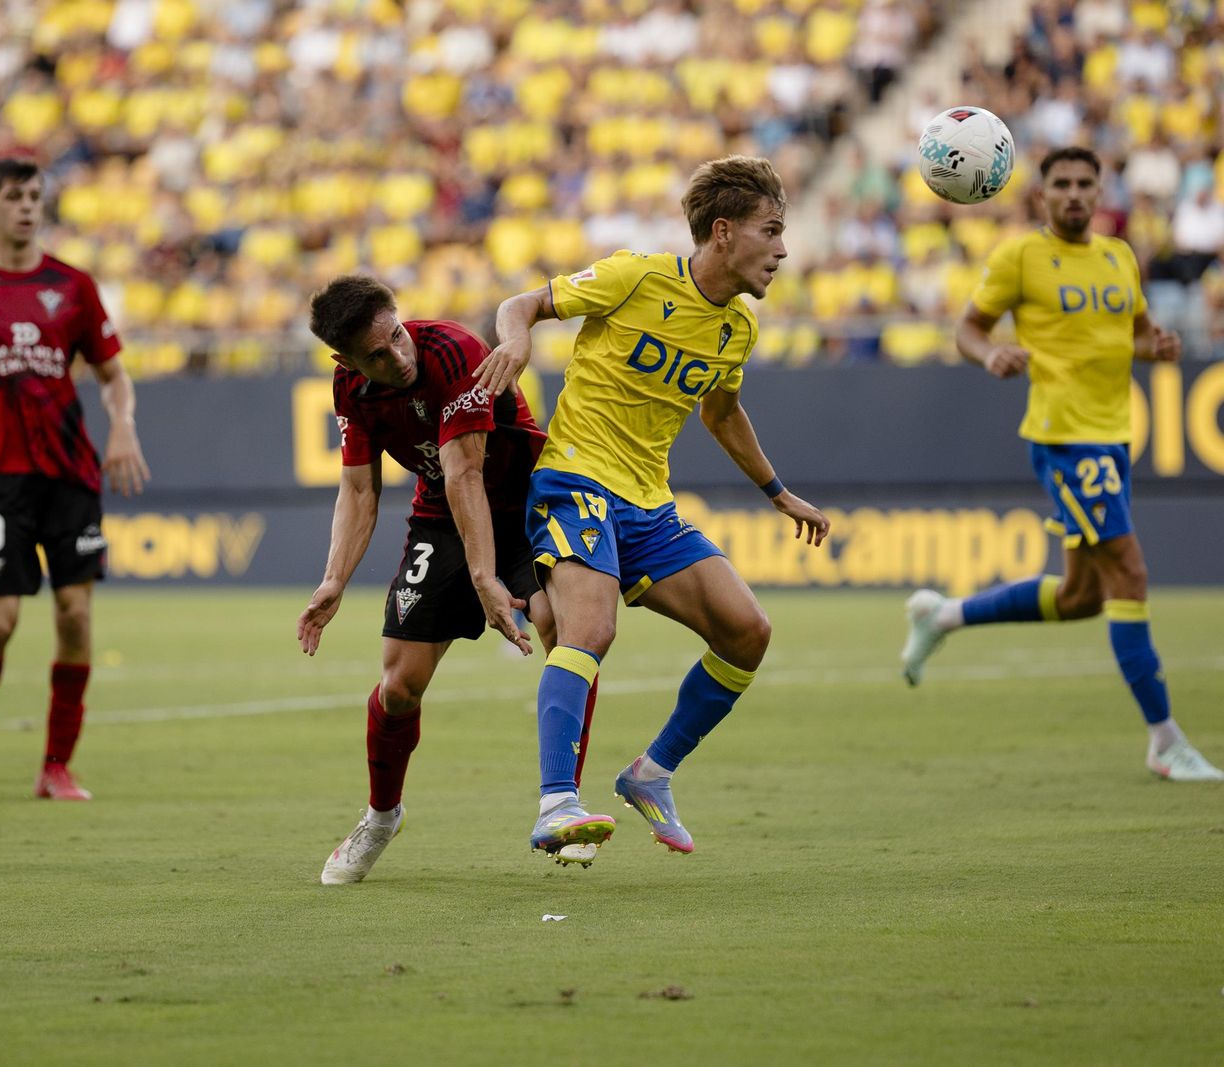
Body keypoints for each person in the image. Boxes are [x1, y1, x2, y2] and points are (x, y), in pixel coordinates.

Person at [476, 155, 830, 865]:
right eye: (773, 230)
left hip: (647, 503)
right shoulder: (636, 276)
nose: (784, 249)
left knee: (747, 632)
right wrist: (516, 337)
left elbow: (722, 414)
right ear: (725, 232)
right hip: (575, 479)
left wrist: (777, 490)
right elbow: (521, 306)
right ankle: (555, 805)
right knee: (590, 628)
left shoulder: (737, 329)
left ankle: (652, 772)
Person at [901, 146, 1222, 782]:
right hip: (1065, 439)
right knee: (1129, 574)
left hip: (1114, 436)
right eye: (1062, 184)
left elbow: (1132, 332)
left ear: (1100, 192)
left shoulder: (1118, 256)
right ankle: (1165, 740)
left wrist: (1154, 346)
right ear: (1041, 195)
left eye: (1085, 183)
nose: (1074, 194)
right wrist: (989, 354)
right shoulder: (1021, 256)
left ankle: (941, 615)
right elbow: (968, 328)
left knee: (1080, 597)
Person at [299, 274, 601, 884]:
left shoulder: (452, 350)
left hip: (528, 504)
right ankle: (381, 816)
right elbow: (359, 488)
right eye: (376, 355)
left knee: (557, 625)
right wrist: (334, 579)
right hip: (442, 519)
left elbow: (466, 471)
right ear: (345, 361)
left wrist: (486, 577)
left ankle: (560, 802)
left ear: (401, 318)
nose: (397, 357)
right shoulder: (349, 389)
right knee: (400, 683)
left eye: (397, 337)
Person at [0, 158, 150, 801]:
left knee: (75, 613)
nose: (27, 207)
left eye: (36, 197)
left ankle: (55, 766)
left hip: (70, 473)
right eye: (14, 197)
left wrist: (122, 425)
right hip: (1, 478)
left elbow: (114, 374)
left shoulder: (73, 286)